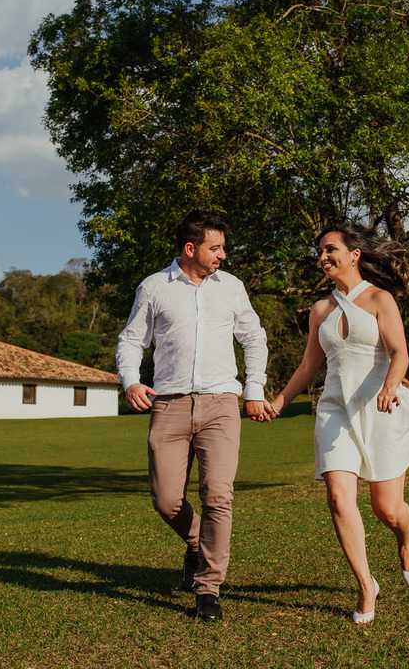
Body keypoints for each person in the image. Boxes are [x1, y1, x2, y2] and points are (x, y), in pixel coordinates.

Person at [262, 223, 409, 624]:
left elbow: (399, 352)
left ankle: (405, 537)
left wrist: (390, 386)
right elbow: (308, 366)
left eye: (330, 249)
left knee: (387, 509)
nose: (323, 257)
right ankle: (366, 584)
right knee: (338, 498)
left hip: (380, 407)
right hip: (335, 409)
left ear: (354, 254)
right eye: (320, 251)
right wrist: (279, 401)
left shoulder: (379, 298)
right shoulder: (320, 310)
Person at [116, 210, 269, 623]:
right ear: (191, 248)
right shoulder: (153, 288)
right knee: (166, 499)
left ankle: (208, 588)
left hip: (221, 403)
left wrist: (253, 389)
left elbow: (253, 338)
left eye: (222, 247)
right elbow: (132, 340)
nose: (223, 255)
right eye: (215, 247)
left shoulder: (232, 288)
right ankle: (198, 543)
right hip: (168, 403)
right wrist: (131, 381)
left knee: (218, 495)